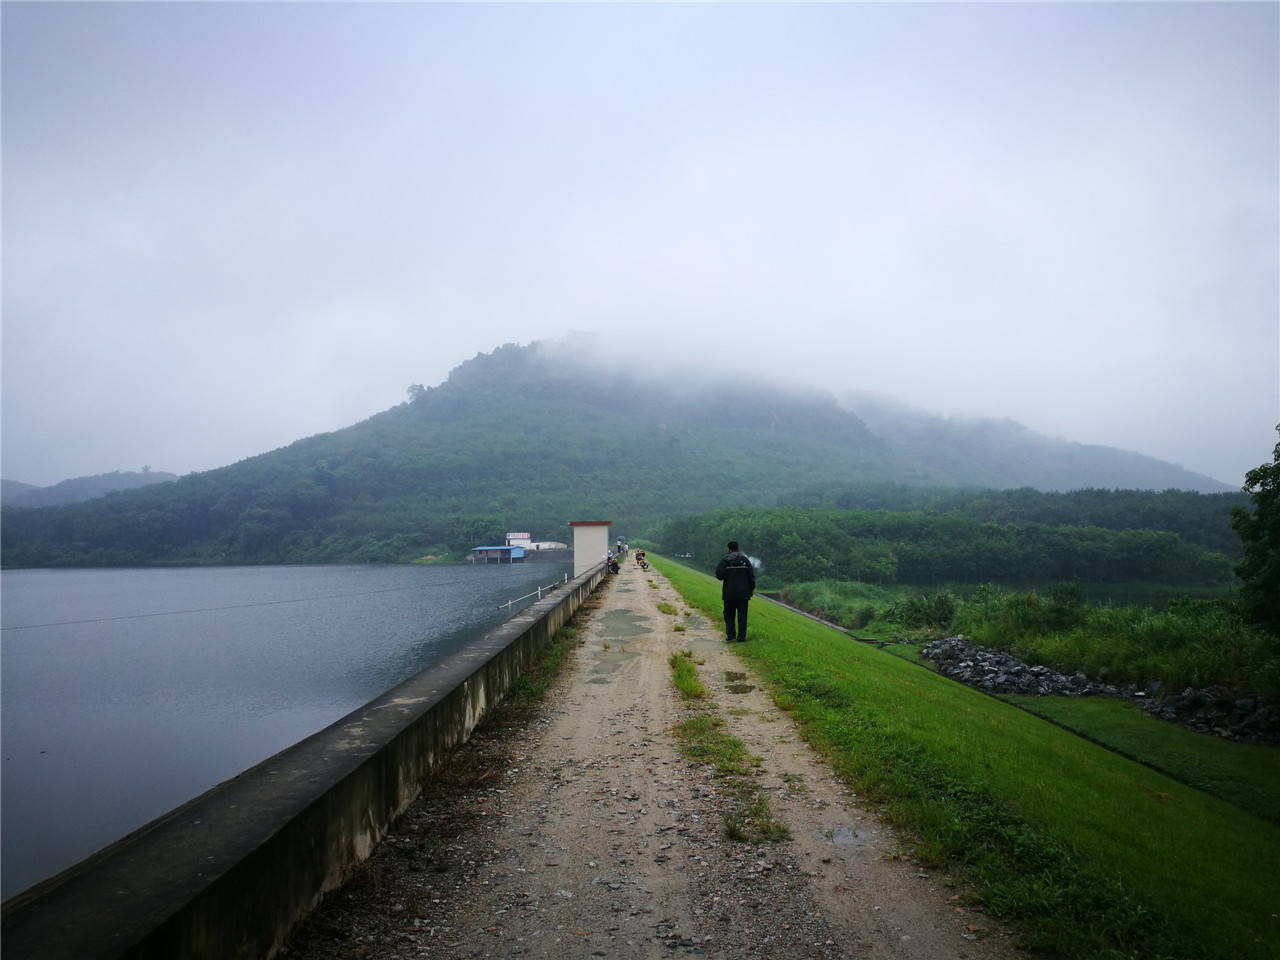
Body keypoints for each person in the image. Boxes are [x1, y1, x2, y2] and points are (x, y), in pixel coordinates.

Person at [714, 540, 756, 642]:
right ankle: (741, 637)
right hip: (743, 593)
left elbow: (719, 575)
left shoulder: (725, 560)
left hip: (729, 593)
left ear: (728, 549)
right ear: (738, 548)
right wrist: (751, 589)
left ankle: (730, 635)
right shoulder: (745, 560)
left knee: (729, 614)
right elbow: (751, 577)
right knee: (742, 616)